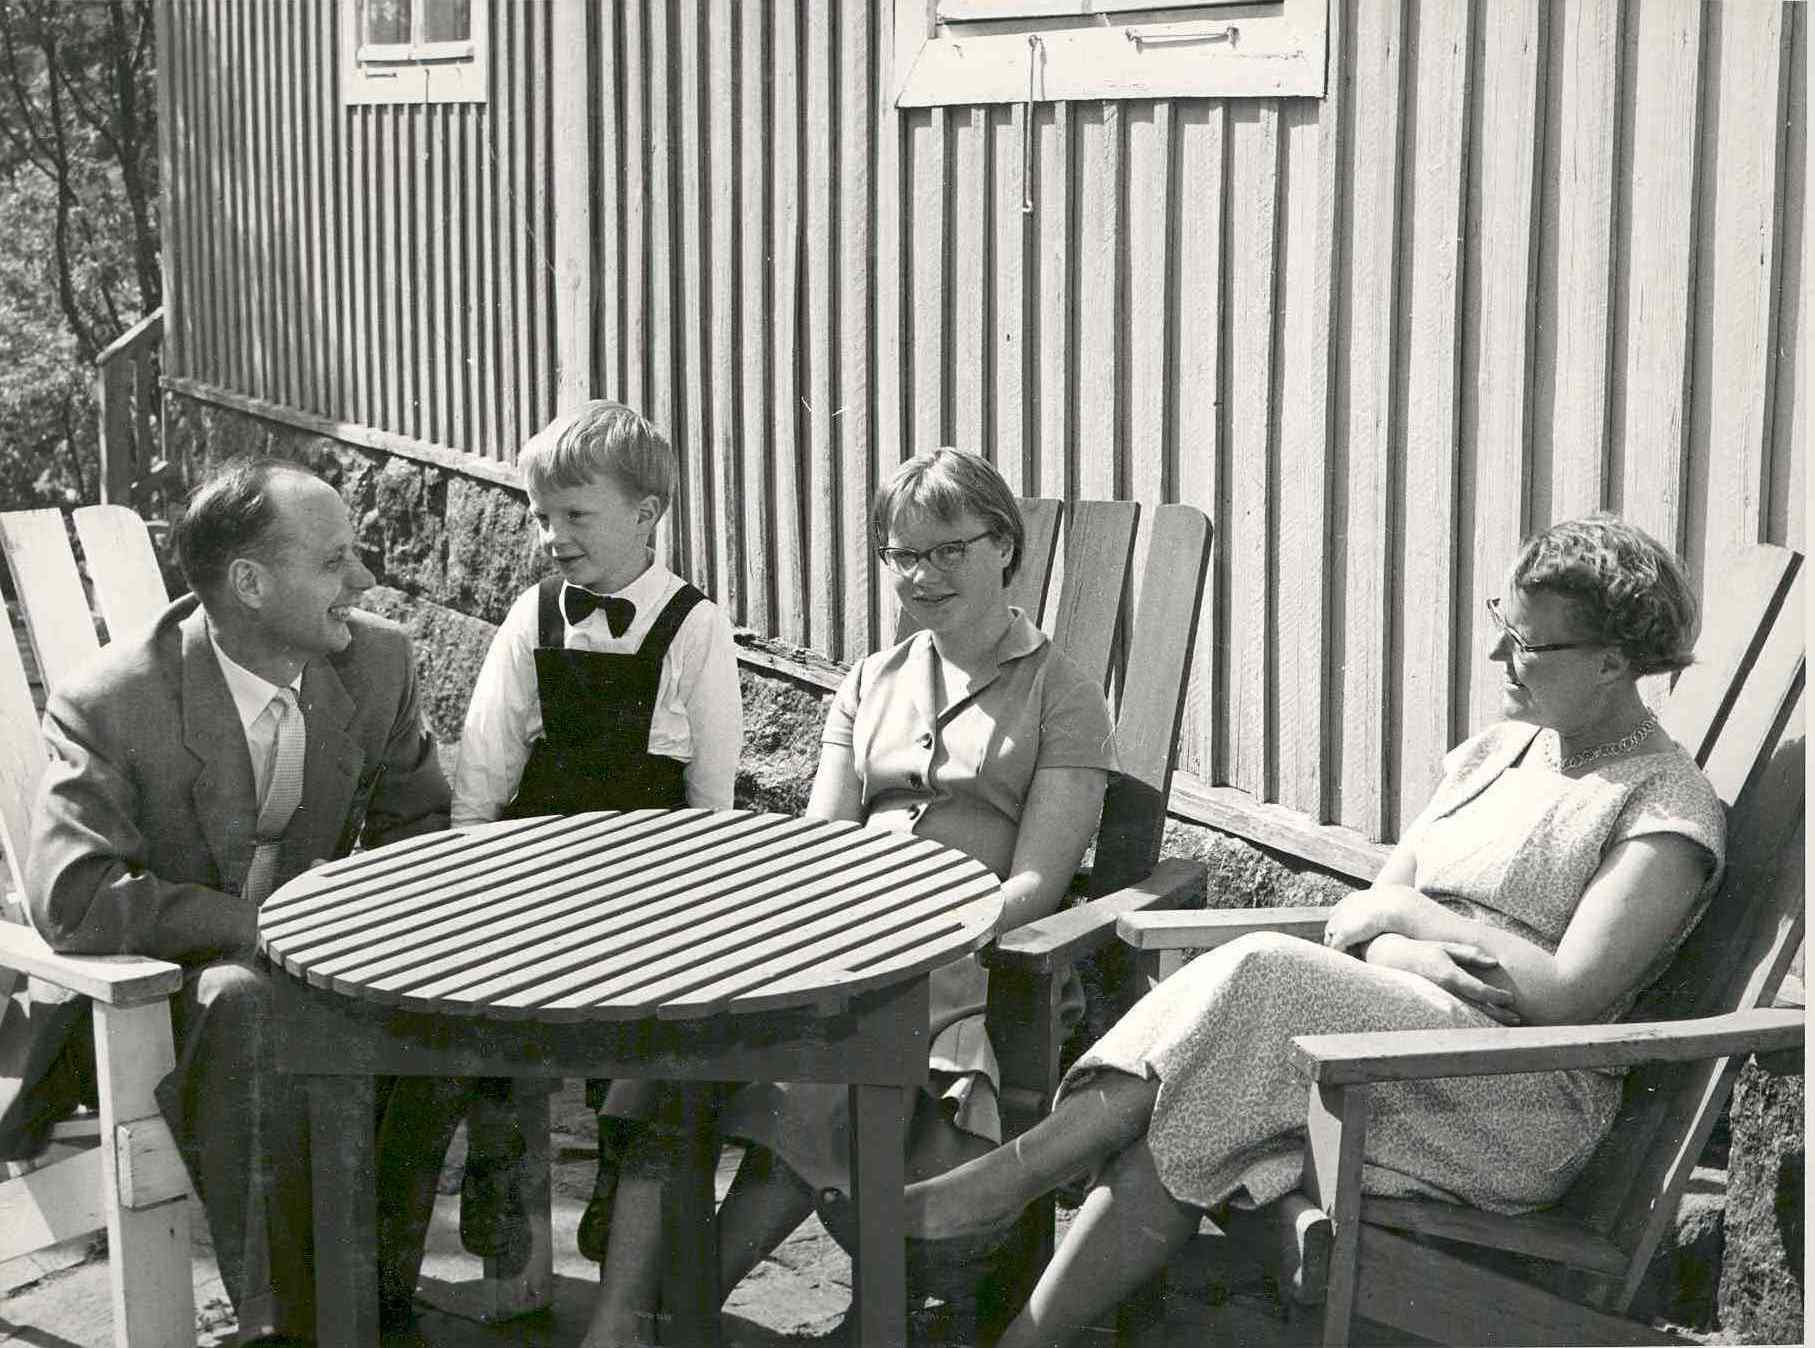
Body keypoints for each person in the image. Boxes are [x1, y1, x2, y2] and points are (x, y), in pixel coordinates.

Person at [903, 514, 1727, 1346]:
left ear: (1611, 662)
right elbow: (1363, 916)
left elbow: (1567, 994)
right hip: (1389, 1051)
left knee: (1259, 976)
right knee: (1196, 1110)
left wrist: (1409, 920)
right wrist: (1410, 946)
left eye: (1523, 642)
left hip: (1510, 1102)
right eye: (1499, 624)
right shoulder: (1496, 754)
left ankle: (1004, 1182)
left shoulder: (1662, 808)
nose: (1494, 656)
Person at [578, 447, 1118, 1347]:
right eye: (903, 555)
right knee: (672, 1036)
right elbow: (820, 847)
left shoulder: (1062, 695)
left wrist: (922, 932)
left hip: (970, 965)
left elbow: (1035, 884)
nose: (923, 575)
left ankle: (681, 1313)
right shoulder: (871, 679)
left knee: (826, 1066)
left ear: (1004, 548)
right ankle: (619, 1317)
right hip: (845, 942)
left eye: (948, 550)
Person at [21, 458, 452, 1344]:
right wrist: (267, 930)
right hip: (159, 994)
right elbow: (73, 896)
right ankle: (282, 1329)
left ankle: (373, 1307)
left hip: (317, 964)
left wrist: (366, 930)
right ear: (249, 584)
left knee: (442, 996)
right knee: (241, 999)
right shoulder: (114, 703)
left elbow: (419, 829)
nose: (364, 580)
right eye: (334, 561)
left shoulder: (376, 662)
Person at [445, 399, 742, 1271]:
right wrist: (471, 865)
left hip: (648, 877)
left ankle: (623, 1186)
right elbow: (488, 754)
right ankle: (501, 1177)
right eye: (541, 516)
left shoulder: (694, 624)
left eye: (575, 515)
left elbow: (710, 783)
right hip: (536, 868)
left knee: (641, 1041)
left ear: (646, 514)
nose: (553, 536)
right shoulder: (531, 614)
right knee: (496, 1021)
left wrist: (698, 895)